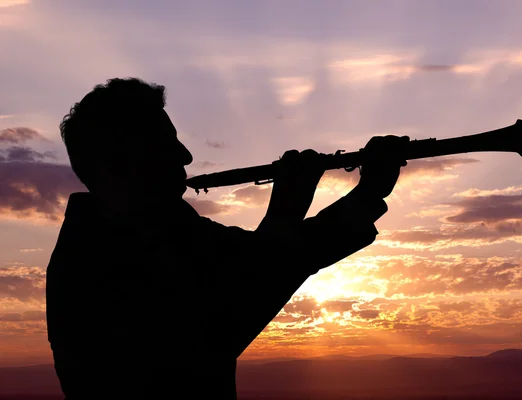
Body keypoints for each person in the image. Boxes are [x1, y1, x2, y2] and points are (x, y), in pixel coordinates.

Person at [45, 77, 409, 399]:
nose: (186, 155)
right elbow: (223, 324)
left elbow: (278, 256)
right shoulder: (92, 259)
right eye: (165, 144)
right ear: (119, 163)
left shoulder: (173, 229)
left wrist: (367, 194)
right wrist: (284, 211)